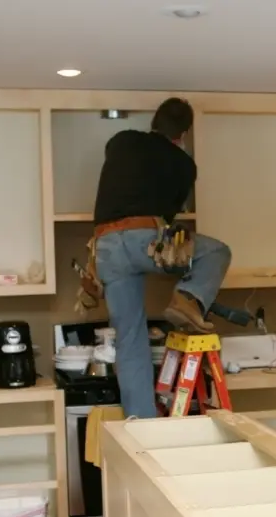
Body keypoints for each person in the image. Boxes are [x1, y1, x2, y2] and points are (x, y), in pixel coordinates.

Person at [93, 97, 231, 418]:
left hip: (105, 248)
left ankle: (141, 423)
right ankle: (188, 299)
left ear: (153, 122)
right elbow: (167, 219)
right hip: (144, 239)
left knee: (129, 342)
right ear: (183, 133)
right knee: (216, 251)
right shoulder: (184, 165)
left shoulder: (122, 140)